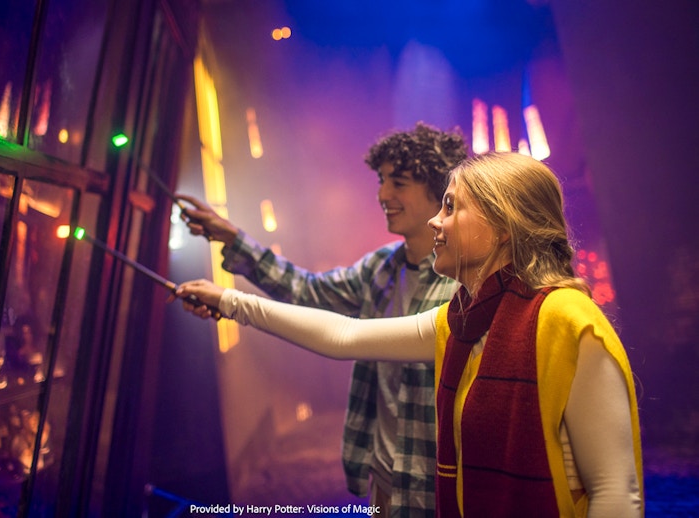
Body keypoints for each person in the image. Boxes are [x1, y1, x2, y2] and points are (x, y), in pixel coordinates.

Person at [174, 152, 644, 517]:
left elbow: (615, 494)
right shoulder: (464, 318)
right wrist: (229, 302)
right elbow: (344, 337)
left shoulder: (568, 319)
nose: (437, 221)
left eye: (451, 206)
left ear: (502, 226)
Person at [176, 122, 467, 516]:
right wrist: (232, 240)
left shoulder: (463, 284)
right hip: (385, 478)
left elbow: (342, 336)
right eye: (381, 181)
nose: (382, 194)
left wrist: (231, 302)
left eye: (398, 183)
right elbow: (308, 292)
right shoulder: (381, 267)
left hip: (439, 488)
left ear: (439, 189)